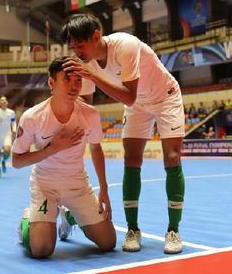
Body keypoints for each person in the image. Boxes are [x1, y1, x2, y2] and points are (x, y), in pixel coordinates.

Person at [61, 14, 185, 254]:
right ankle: (132, 229)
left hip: (165, 97)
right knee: (131, 159)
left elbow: (128, 95)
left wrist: (92, 75)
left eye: (80, 44)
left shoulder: (125, 45)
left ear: (96, 36)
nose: (77, 51)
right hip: (138, 104)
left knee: (171, 157)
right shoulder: (84, 64)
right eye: (73, 46)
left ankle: (173, 230)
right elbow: (86, 103)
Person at [12, 56, 116, 258]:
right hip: (45, 185)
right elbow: (17, 161)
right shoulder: (33, 117)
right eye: (67, 79)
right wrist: (53, 148)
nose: (74, 86)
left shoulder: (90, 114)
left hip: (77, 185)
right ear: (51, 83)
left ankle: (70, 216)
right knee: (42, 250)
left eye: (78, 80)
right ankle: (27, 219)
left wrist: (103, 189)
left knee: (108, 242)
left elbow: (96, 149)